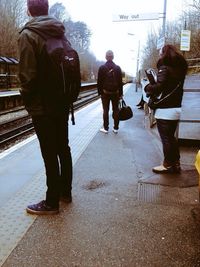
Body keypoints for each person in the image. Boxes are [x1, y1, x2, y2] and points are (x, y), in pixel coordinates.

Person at [18, 0, 79, 215]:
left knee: (49, 152)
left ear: (29, 10)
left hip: (43, 105)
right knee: (63, 147)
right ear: (46, 9)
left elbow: (27, 75)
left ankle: (51, 202)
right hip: (62, 102)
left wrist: (28, 101)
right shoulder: (59, 33)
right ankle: (66, 193)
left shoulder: (29, 34)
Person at [144, 44, 188, 174]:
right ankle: (176, 162)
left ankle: (167, 164)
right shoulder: (180, 71)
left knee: (166, 138)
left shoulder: (165, 69)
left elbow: (159, 87)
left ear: (165, 53)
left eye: (160, 53)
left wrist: (148, 87)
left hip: (165, 110)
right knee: (171, 137)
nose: (159, 55)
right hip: (176, 109)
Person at [97, 50, 123, 134]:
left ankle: (106, 128)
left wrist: (100, 93)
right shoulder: (118, 68)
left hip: (105, 93)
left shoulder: (102, 68)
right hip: (115, 93)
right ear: (113, 57)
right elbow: (120, 82)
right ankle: (115, 128)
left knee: (105, 110)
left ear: (106, 57)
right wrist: (121, 94)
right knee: (116, 110)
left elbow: (99, 82)